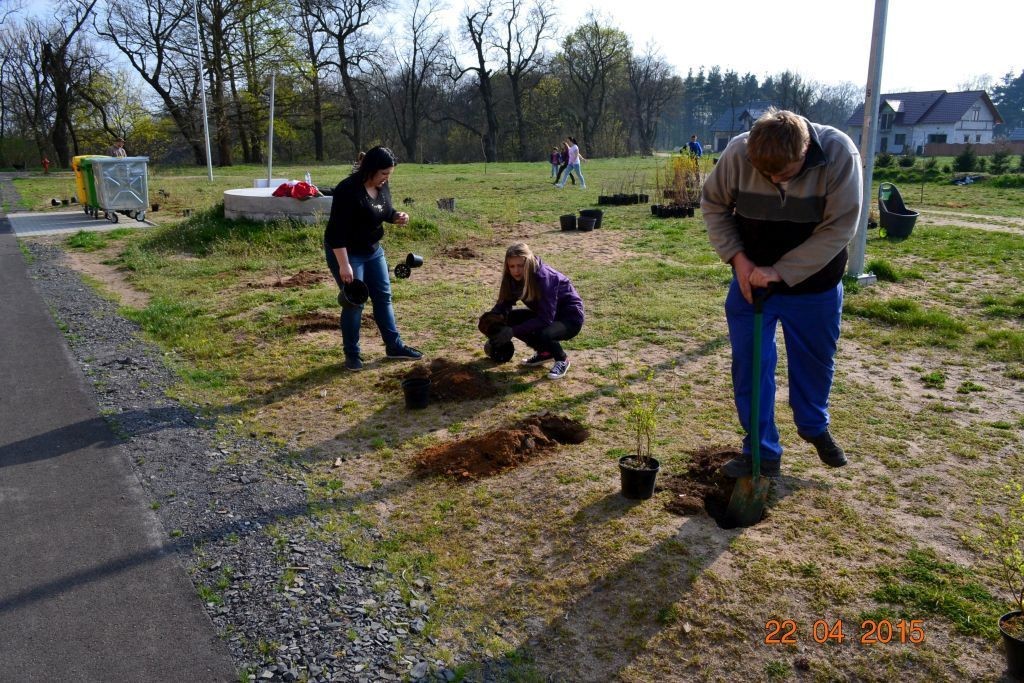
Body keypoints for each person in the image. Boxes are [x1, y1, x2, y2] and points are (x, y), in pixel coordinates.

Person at [701, 108, 862, 478]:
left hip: (815, 286)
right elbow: (714, 205)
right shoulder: (738, 152)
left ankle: (813, 426)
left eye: (783, 174)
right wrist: (738, 260)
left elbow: (839, 228)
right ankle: (762, 450)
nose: (774, 179)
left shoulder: (840, 154)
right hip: (750, 282)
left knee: (814, 364)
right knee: (750, 367)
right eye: (765, 174)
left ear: (804, 151)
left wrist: (781, 271)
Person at [324, 145, 423, 371]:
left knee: (383, 296)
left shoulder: (382, 184)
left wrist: (396, 216)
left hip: (372, 249)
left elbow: (382, 210)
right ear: (370, 169)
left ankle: (394, 347)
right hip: (346, 252)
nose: (386, 179)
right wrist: (344, 265)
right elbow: (335, 233)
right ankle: (352, 355)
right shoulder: (347, 190)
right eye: (384, 174)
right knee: (354, 303)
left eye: (389, 174)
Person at [485, 243, 584, 380]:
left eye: (520, 265)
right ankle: (545, 353)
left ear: (529, 262)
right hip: (548, 315)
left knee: (545, 333)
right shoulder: (512, 278)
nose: (516, 271)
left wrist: (512, 331)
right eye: (512, 266)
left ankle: (562, 360)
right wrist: (493, 319)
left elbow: (545, 319)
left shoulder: (545, 278)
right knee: (509, 319)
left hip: (569, 319)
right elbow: (504, 303)